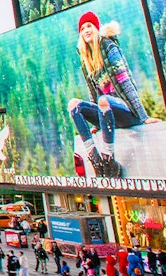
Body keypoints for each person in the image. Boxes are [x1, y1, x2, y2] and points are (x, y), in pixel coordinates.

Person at [68, 10, 159, 178]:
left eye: (89, 26)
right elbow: (93, 92)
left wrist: (143, 116)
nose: (86, 30)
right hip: (106, 113)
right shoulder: (86, 58)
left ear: (96, 28)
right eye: (82, 29)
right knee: (74, 105)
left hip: (125, 110)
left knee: (104, 100)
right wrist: (96, 122)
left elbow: (125, 83)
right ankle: (95, 159)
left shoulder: (109, 46)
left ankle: (108, 159)